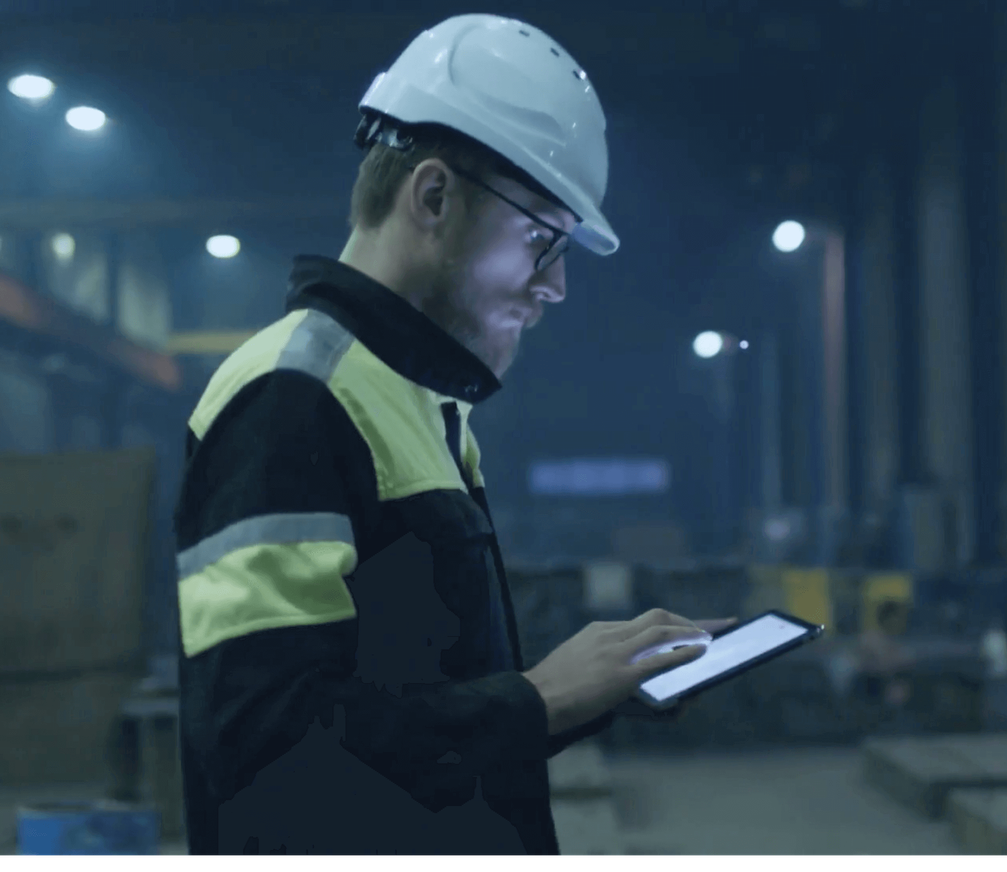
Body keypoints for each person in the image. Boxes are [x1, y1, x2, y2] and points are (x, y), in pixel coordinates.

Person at [173, 15, 733, 857]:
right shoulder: (291, 398)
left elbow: (414, 714)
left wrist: (590, 690)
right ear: (432, 197)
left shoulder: (416, 402)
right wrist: (537, 699)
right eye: (544, 236)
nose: (558, 286)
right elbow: (267, 753)